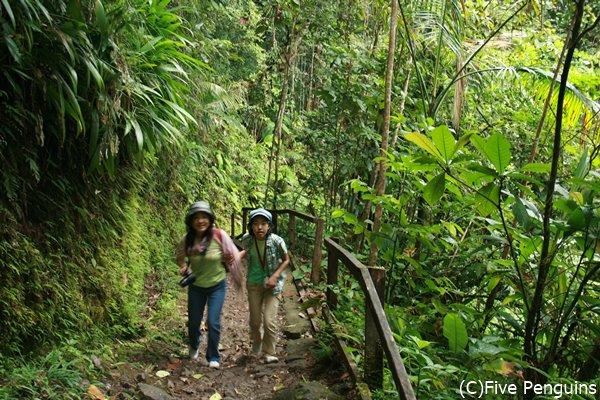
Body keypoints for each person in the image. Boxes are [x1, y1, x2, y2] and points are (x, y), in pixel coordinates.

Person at [175, 201, 242, 368]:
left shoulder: (219, 235)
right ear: (190, 221)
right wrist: (184, 267)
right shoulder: (187, 239)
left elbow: (233, 255)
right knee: (193, 322)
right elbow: (179, 257)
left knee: (213, 322)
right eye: (196, 217)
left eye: (204, 217)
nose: (200, 221)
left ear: (210, 219)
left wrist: (231, 263)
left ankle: (213, 356)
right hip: (196, 286)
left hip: (217, 286)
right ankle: (194, 344)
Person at [240, 208, 289, 363]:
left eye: (263, 224)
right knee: (255, 321)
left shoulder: (277, 241)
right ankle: (257, 342)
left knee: (269, 320)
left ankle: (270, 351)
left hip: (273, 286)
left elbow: (287, 259)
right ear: (251, 226)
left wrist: (275, 276)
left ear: (269, 226)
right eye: (255, 224)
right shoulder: (247, 239)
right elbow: (246, 251)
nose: (259, 227)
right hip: (254, 283)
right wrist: (235, 256)